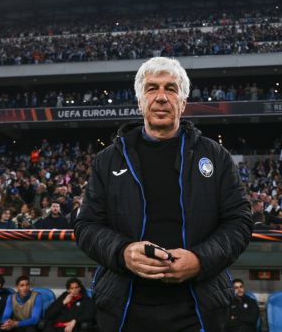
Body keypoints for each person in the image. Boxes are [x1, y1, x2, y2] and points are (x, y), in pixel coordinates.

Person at [75, 57, 253, 332]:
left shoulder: (215, 156)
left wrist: (200, 260)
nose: (161, 97)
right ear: (140, 101)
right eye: (151, 89)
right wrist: (122, 253)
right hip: (124, 306)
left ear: (183, 101)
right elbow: (86, 226)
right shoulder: (107, 160)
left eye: (171, 88)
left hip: (198, 307)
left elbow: (239, 222)